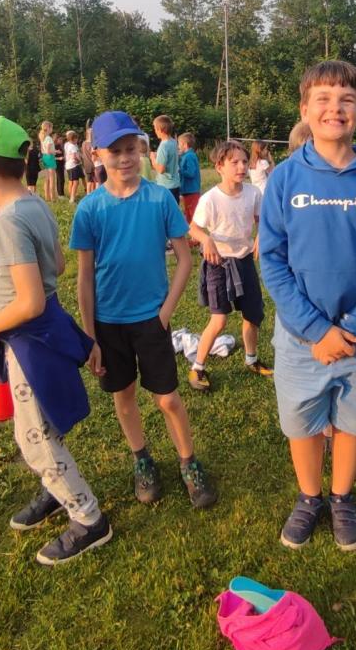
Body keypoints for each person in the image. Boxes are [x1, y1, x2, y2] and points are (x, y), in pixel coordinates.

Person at [0, 116, 111, 565]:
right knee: (41, 423)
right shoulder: (33, 204)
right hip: (43, 328)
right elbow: (58, 267)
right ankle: (55, 489)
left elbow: (29, 301)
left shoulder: (9, 220)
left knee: (35, 438)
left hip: (30, 338)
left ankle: (89, 519)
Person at [260, 60, 356, 552]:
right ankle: (309, 496)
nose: (334, 108)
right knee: (302, 423)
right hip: (301, 338)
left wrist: (354, 327)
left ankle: (341, 497)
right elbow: (273, 259)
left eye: (346, 100)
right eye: (322, 99)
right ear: (305, 110)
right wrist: (317, 330)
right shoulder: (285, 179)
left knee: (351, 422)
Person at [71, 110, 218, 509]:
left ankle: (188, 461)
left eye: (130, 149)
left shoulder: (159, 199)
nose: (124, 158)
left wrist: (165, 313)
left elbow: (185, 260)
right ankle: (142, 459)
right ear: (97, 154)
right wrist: (90, 336)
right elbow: (84, 278)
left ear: (140, 149)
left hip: (152, 320)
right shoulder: (90, 209)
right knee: (124, 395)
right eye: (115, 150)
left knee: (167, 398)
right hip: (108, 325)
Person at [187, 140, 273, 391]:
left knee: (252, 315)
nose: (241, 166)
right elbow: (193, 228)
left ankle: (252, 359)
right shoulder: (210, 199)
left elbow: (262, 218)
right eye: (234, 162)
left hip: (244, 261)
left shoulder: (253, 193)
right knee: (219, 320)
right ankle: (197, 367)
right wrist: (206, 240)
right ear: (219, 167)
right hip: (219, 265)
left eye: (244, 161)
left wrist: (261, 234)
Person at [150, 114, 181, 201]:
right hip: (175, 184)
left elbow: (161, 169)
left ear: (160, 130)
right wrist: (158, 155)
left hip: (166, 186)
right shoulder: (173, 142)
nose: (155, 131)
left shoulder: (163, 146)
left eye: (155, 129)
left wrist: (153, 158)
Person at [178, 132, 202, 227]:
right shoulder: (186, 156)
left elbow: (191, 173)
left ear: (185, 145)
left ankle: (196, 234)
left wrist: (179, 170)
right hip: (187, 191)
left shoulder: (190, 156)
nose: (178, 146)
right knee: (188, 214)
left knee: (193, 215)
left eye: (179, 144)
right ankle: (192, 234)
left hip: (192, 191)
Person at [39, 121, 57, 203]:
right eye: (51, 127)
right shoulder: (49, 138)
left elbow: (43, 150)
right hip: (50, 158)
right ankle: (53, 198)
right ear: (48, 128)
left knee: (47, 179)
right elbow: (49, 151)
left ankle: (47, 197)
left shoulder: (42, 137)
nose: (52, 129)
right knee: (52, 179)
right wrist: (55, 152)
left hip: (45, 157)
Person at [64, 130, 84, 203]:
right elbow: (74, 157)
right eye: (76, 139)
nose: (77, 140)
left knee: (73, 181)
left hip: (69, 165)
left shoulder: (67, 144)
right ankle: (72, 198)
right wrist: (80, 161)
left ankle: (72, 196)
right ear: (73, 139)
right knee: (75, 182)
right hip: (73, 165)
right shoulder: (73, 146)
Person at [81, 127, 97, 194]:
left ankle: (91, 193)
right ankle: (89, 194)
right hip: (92, 164)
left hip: (87, 164)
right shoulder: (92, 143)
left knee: (91, 181)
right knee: (91, 181)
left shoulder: (84, 143)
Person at [54, 133, 66, 198]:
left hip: (61, 164)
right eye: (60, 139)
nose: (61, 140)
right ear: (57, 139)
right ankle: (60, 194)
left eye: (62, 139)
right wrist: (59, 158)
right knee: (60, 179)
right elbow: (51, 157)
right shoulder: (55, 146)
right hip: (57, 164)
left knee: (61, 179)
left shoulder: (61, 146)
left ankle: (61, 193)